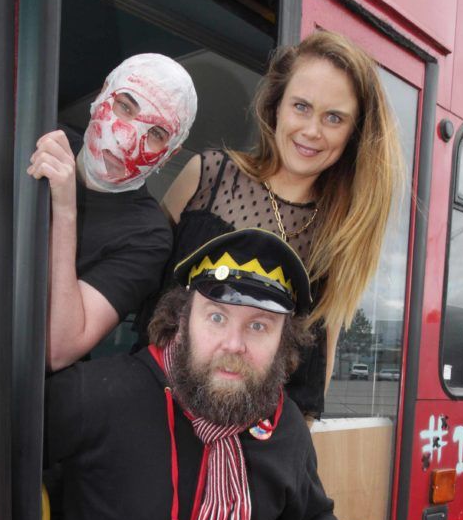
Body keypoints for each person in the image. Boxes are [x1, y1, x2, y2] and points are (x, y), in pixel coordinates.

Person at [40, 228, 402, 520]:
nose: (234, 344)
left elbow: (307, 518)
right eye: (216, 317)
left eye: (259, 326)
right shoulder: (97, 394)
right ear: (182, 320)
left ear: (284, 343)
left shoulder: (282, 426)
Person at [134, 29, 401, 418]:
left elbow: (308, 387)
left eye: (334, 118)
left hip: (244, 445)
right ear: (277, 106)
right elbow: (138, 288)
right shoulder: (206, 176)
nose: (312, 130)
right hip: (149, 410)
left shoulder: (336, 236)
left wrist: (286, 461)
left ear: (353, 134)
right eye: (301, 107)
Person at [27, 53, 197, 370]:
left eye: (156, 134)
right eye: (125, 106)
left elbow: (58, 348)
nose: (126, 138)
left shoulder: (147, 235)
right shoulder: (38, 134)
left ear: (170, 154)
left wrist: (64, 211)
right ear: (104, 92)